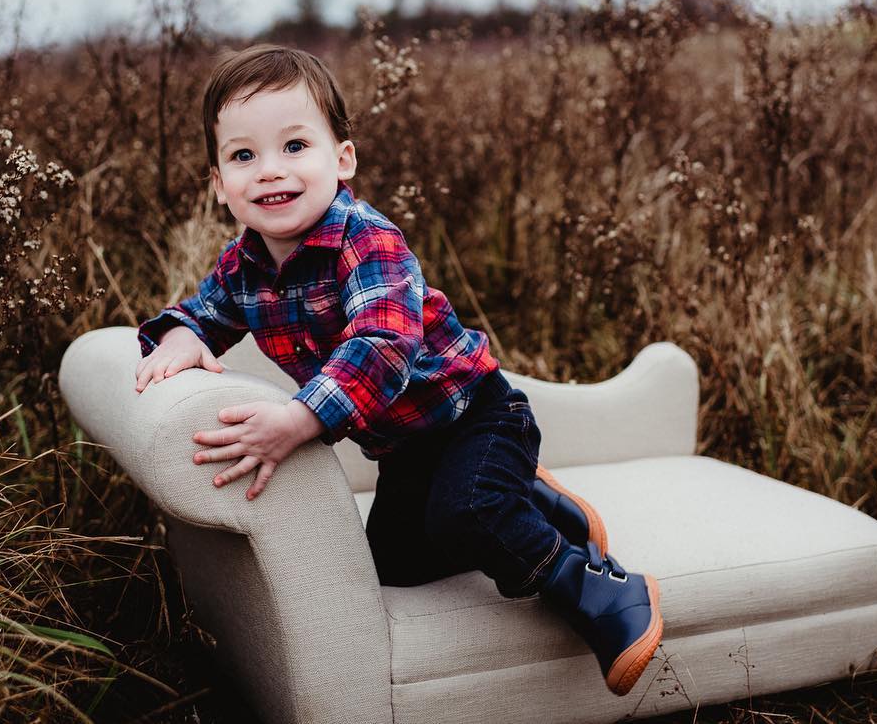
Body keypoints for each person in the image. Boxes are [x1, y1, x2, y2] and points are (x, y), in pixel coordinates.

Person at [132, 44, 663, 696]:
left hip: (477, 414)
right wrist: (181, 335)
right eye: (243, 155)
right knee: (393, 563)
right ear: (219, 182)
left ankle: (606, 590)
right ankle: (540, 504)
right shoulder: (243, 269)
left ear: (342, 158)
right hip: (406, 447)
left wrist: (300, 418)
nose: (270, 170)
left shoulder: (366, 239)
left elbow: (382, 343)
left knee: (471, 510)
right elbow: (202, 311)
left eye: (295, 145)